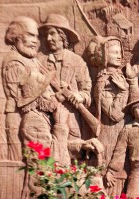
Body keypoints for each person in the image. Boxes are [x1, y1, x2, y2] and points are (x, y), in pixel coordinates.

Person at [38, 14, 92, 142]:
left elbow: (86, 91)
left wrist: (79, 96)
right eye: (46, 35)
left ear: (62, 36)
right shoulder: (40, 61)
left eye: (52, 33)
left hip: (72, 121)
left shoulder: (76, 61)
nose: (48, 38)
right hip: (46, 121)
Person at [2, 16, 50, 161]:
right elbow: (24, 97)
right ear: (16, 37)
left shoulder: (31, 60)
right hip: (21, 117)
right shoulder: (14, 61)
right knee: (24, 162)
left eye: (36, 36)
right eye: (30, 35)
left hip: (35, 117)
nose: (35, 41)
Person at [92, 36, 129, 196]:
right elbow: (114, 115)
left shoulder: (121, 77)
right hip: (110, 136)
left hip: (123, 133)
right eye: (114, 52)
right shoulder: (102, 83)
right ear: (105, 55)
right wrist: (123, 92)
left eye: (120, 52)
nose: (119, 55)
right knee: (111, 179)